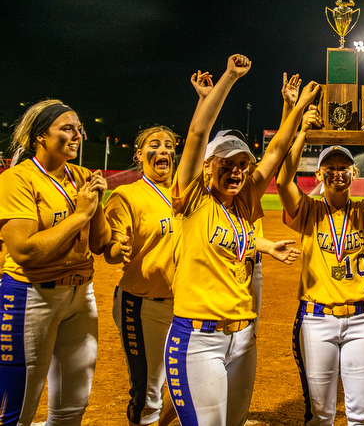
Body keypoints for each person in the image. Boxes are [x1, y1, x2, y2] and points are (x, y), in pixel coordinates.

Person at [164, 54, 315, 426]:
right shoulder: (193, 198)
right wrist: (229, 77)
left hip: (242, 337)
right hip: (199, 338)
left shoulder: (244, 201)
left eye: (242, 165)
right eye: (225, 163)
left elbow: (277, 151)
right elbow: (199, 132)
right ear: (206, 165)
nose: (235, 171)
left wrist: (296, 110)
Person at [276, 103, 364, 425]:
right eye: (329, 167)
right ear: (319, 174)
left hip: (362, 320)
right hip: (315, 319)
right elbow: (282, 181)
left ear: (354, 173)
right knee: (320, 414)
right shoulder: (308, 210)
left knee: (362, 415)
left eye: (344, 167)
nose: (337, 172)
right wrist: (304, 133)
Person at [100, 71, 213, 426]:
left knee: (186, 387)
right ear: (139, 155)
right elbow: (111, 250)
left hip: (186, 304)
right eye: (154, 144)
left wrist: (203, 100)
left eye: (168, 145)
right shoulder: (126, 195)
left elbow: (199, 137)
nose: (163, 150)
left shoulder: (186, 192)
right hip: (142, 305)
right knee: (149, 392)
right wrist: (117, 249)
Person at [0, 100, 111, 425]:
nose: (77, 135)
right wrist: (79, 215)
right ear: (40, 136)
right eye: (67, 128)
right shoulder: (17, 179)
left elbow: (100, 242)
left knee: (72, 407)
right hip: (32, 296)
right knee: (17, 411)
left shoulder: (80, 175)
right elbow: (24, 252)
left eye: (78, 128)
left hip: (81, 295)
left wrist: (96, 205)